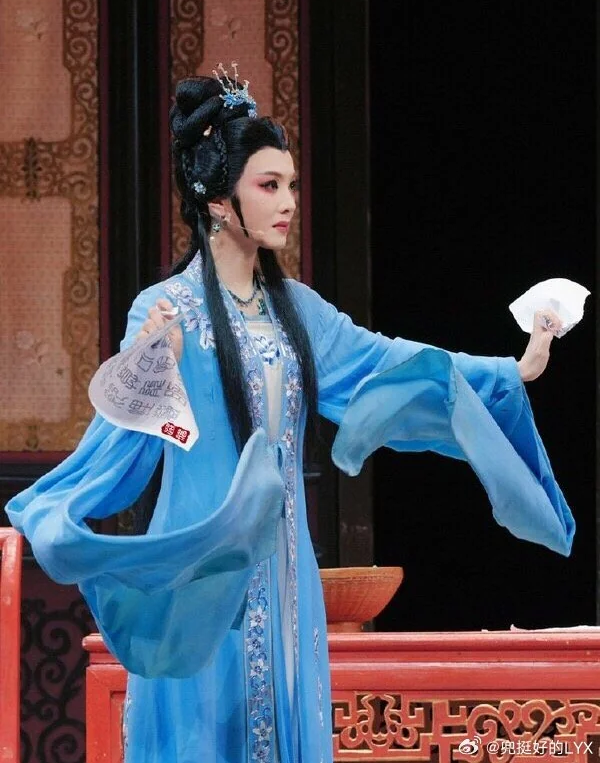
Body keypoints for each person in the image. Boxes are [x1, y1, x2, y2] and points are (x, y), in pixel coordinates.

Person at [6, 65, 575, 763]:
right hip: (199, 564)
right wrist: (155, 361)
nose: (288, 202)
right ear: (218, 200)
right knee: (201, 731)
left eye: (292, 185)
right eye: (269, 185)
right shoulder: (164, 309)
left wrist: (509, 370)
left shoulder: (298, 311)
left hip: (284, 568)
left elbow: (391, 362)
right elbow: (126, 445)